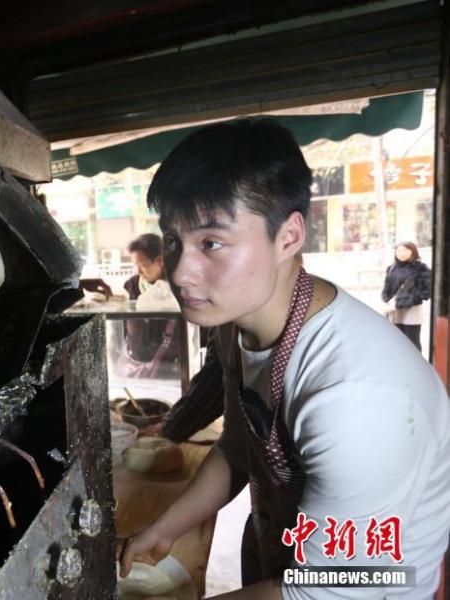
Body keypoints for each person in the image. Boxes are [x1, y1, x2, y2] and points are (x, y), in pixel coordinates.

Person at [118, 117, 450, 599]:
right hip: (282, 555)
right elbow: (238, 445)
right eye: (173, 241)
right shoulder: (237, 325)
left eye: (212, 242)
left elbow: (327, 593)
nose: (181, 273)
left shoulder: (354, 395)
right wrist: (166, 528)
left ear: (290, 236)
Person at [120, 233, 181, 379]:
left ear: (160, 261)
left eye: (143, 265)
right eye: (136, 265)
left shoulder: (177, 286)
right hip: (136, 361)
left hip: (170, 366)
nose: (138, 271)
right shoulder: (133, 285)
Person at [381, 241, 432, 351]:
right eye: (399, 250)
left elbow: (426, 292)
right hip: (394, 310)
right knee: (397, 341)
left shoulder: (421, 268)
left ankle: (415, 366)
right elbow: (387, 287)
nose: (402, 253)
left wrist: (403, 302)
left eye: (406, 250)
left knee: (412, 341)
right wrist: (386, 298)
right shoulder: (392, 268)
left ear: (413, 251)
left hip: (411, 310)